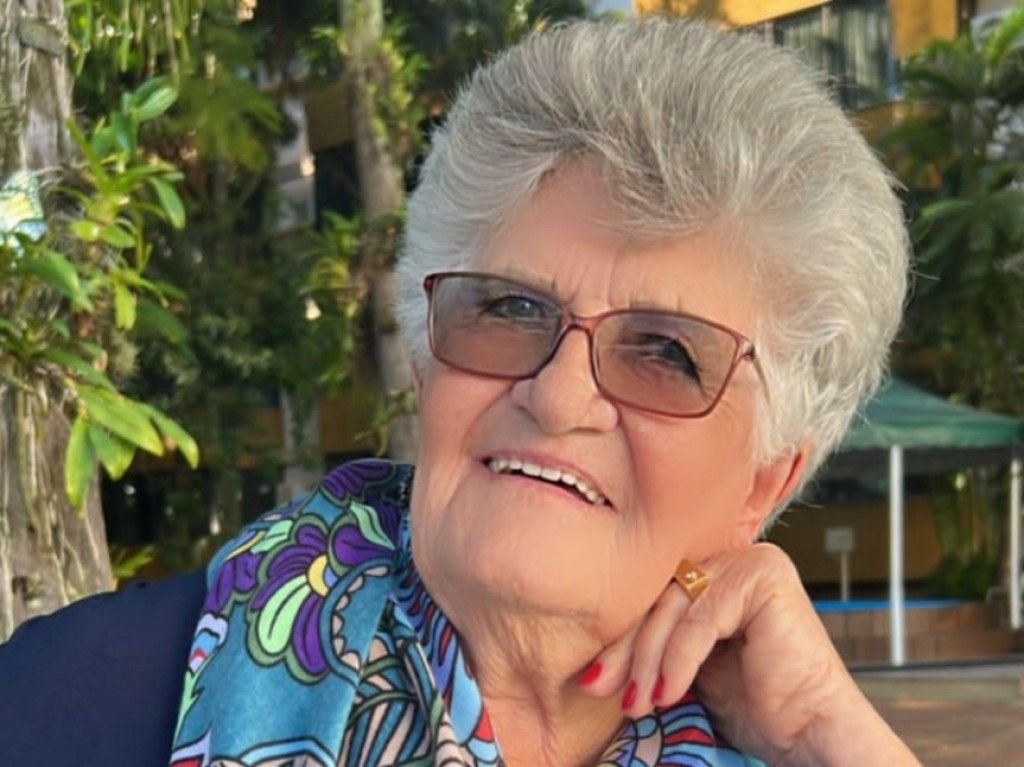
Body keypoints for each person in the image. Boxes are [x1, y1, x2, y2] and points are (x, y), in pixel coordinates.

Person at [0, 17, 920, 767]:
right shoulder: (71, 703)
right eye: (510, 308)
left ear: (765, 480)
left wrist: (829, 735)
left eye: (666, 352)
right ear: (424, 363)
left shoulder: (795, 745)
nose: (559, 397)